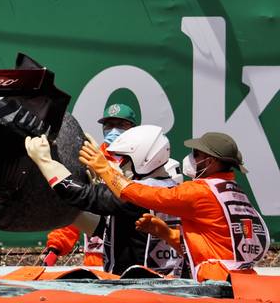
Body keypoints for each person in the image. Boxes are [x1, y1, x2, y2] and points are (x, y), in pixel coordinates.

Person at [81, 130, 270, 280]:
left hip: (214, 285)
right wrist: (168, 234)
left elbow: (141, 194)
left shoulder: (200, 191)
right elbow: (217, 243)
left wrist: (105, 169)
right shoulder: (235, 192)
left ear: (210, 162)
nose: (190, 158)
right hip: (243, 281)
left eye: (196, 154)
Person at [27, 124, 183, 275]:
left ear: (145, 159)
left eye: (125, 159)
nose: (120, 164)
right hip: (168, 284)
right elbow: (124, 231)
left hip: (137, 287)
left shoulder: (136, 196)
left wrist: (45, 162)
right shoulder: (172, 188)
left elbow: (80, 194)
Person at [41, 103, 140, 267]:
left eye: (121, 125)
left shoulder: (143, 163)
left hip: (131, 252)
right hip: (96, 258)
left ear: (133, 128)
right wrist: (54, 248)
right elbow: (75, 207)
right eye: (109, 125)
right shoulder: (88, 160)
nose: (113, 130)